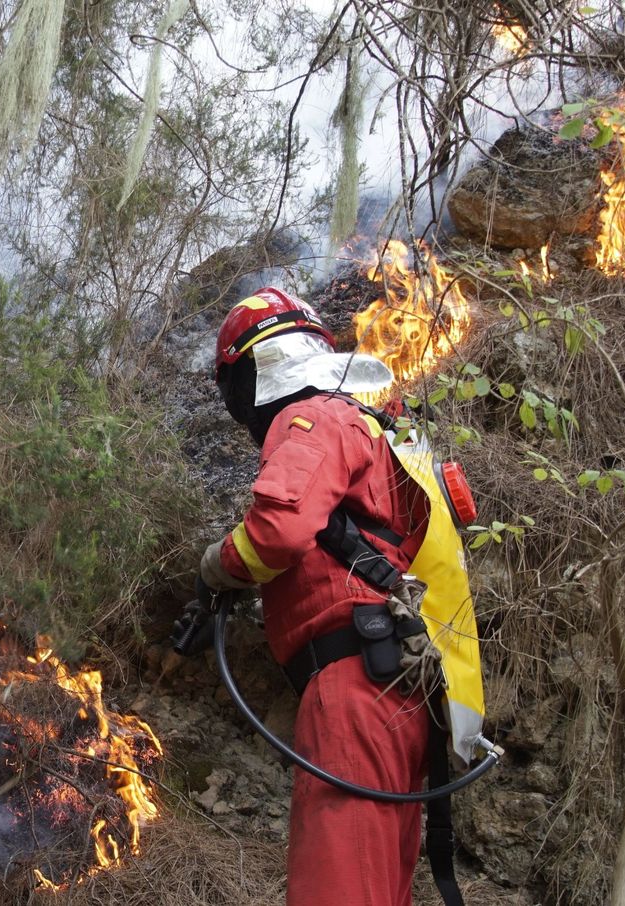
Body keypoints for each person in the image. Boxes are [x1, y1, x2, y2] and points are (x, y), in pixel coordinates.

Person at [196, 286, 435, 906]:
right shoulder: (370, 427)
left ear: (256, 370)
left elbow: (276, 532)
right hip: (395, 687)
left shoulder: (313, 418)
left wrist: (217, 567)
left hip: (352, 686)